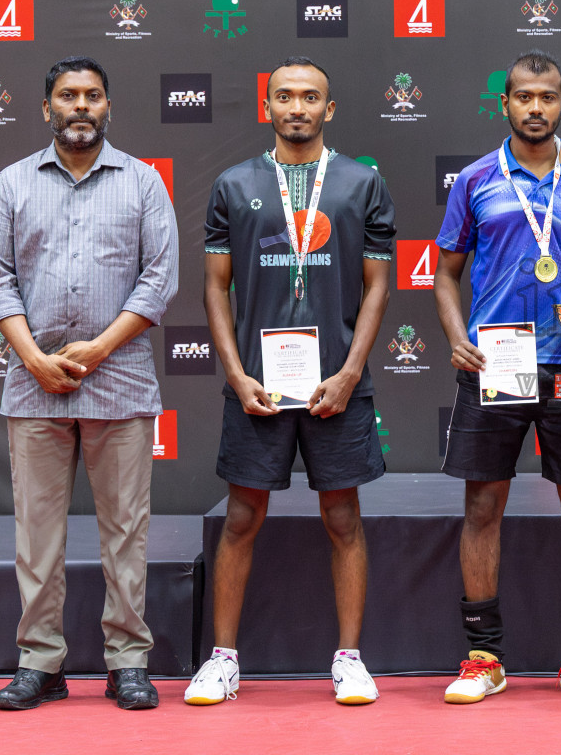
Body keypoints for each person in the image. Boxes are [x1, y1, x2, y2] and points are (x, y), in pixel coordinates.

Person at [186, 57, 395, 706]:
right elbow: (215, 287)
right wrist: (235, 372)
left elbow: (378, 284)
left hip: (338, 385)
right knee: (242, 517)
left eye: (310, 97)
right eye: (285, 96)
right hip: (259, 389)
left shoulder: (363, 184)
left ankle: (351, 660)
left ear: (329, 110)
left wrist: (352, 369)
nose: (297, 107)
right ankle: (223, 661)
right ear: (267, 107)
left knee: (343, 518)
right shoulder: (233, 183)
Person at [0, 56, 178, 711]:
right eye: (68, 96)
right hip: (32, 380)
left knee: (126, 529)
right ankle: (41, 661)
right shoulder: (12, 184)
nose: (81, 106)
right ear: (46, 109)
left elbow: (159, 280)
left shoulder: (144, 183)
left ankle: (128, 661)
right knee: (37, 533)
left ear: (108, 107)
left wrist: (98, 347)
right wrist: (34, 357)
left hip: (119, 376)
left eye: (93, 95)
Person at [433, 49, 561, 704]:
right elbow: (445, 272)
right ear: (506, 104)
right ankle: (483, 658)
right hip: (498, 361)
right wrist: (457, 338)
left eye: (548, 97)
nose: (536, 107)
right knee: (483, 505)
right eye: (524, 97)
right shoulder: (477, 180)